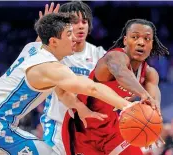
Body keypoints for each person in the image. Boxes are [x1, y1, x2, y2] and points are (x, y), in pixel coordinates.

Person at [0, 13, 133, 155]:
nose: (74, 38)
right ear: (54, 41)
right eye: (69, 34)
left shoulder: (33, 48)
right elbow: (92, 88)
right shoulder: (50, 67)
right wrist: (128, 107)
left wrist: (81, 108)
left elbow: (62, 92)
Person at [62, 18, 169, 155]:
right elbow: (121, 74)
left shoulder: (150, 74)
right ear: (125, 40)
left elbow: (154, 101)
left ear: (152, 44)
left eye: (147, 39)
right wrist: (143, 94)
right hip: (82, 127)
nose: (141, 43)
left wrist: (153, 124)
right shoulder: (114, 57)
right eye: (135, 37)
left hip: (111, 128)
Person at [37, 2, 107, 155]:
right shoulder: (55, 50)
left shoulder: (100, 55)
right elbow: (35, 55)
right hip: (57, 126)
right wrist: (45, 30)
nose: (81, 26)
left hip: (87, 130)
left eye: (85, 21)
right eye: (74, 22)